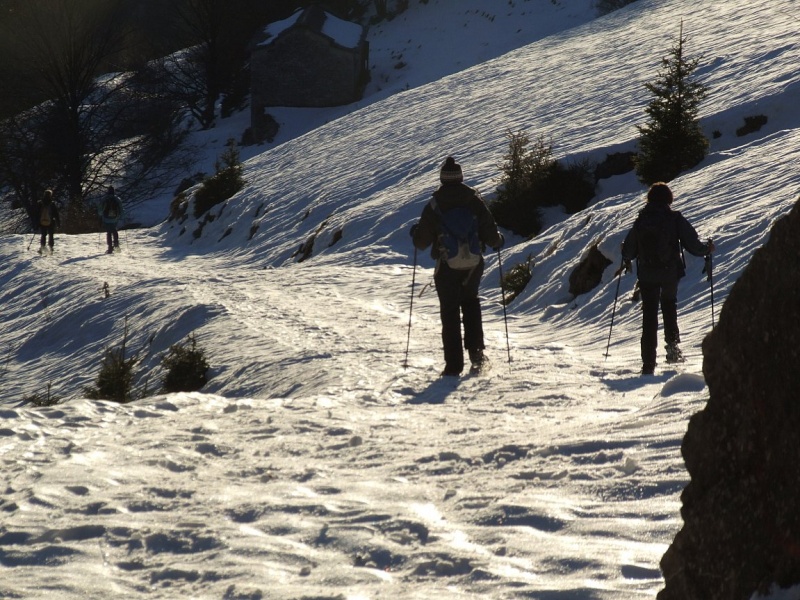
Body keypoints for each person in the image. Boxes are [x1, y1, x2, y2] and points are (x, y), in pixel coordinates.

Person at [411, 156, 504, 376]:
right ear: (461, 177)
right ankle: (477, 354)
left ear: (442, 179)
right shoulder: (473, 200)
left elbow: (421, 242)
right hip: (473, 264)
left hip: (446, 267)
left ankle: (453, 366)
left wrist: (415, 233)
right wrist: (498, 240)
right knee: (471, 303)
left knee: (449, 312)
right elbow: (491, 235)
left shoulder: (435, 204)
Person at [621, 182, 714, 375]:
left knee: (649, 315)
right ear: (668, 199)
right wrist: (707, 249)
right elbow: (692, 244)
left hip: (647, 275)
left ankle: (648, 363)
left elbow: (628, 252)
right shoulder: (674, 218)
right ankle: (672, 350)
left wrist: (626, 251)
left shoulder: (642, 220)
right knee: (669, 307)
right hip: (669, 272)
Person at [99, 186, 124, 254]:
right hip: (115, 218)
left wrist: (100, 215)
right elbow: (121, 209)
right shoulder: (117, 199)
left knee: (109, 232)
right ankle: (116, 244)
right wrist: (121, 216)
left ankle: (110, 248)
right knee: (114, 229)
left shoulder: (104, 199)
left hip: (106, 218)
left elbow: (100, 210)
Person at [35, 189, 60, 254]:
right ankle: (51, 248)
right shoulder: (52, 203)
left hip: (42, 221)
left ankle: (42, 248)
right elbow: (56, 214)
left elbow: (37, 214)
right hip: (51, 222)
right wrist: (58, 222)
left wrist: (37, 223)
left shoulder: (40, 203)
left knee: (43, 235)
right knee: (51, 235)